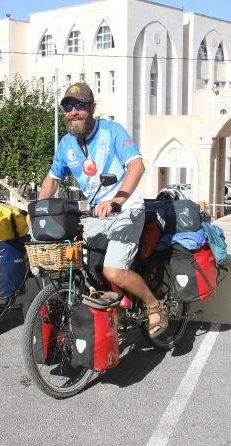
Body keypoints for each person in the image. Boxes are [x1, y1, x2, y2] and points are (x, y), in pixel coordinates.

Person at [36, 82, 167, 336]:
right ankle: (112, 310)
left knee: (113, 270)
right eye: (68, 107)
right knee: (82, 265)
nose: (74, 112)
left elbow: (136, 166)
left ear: (92, 108)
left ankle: (154, 305)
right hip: (97, 213)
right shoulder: (66, 144)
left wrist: (116, 200)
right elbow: (52, 179)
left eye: (80, 106)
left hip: (125, 209)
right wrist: (39, 210)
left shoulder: (112, 131)